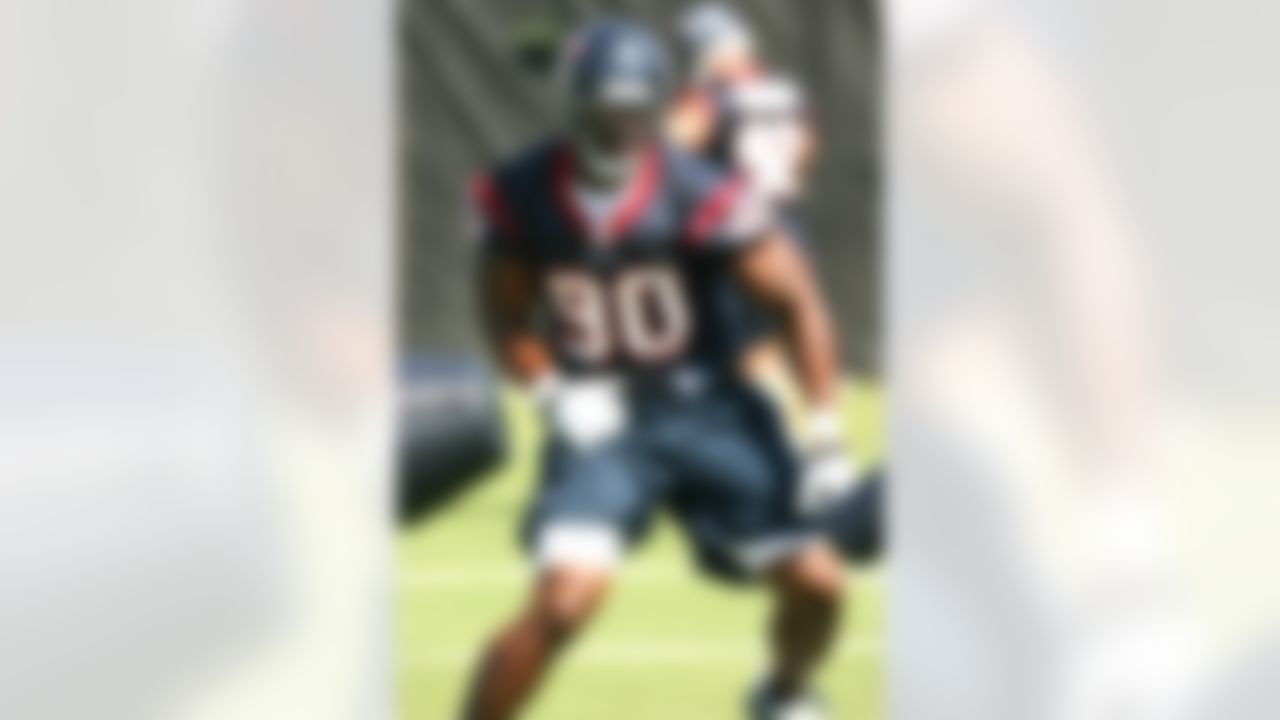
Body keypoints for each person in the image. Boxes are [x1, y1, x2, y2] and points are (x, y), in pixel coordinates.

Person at [463, 18, 856, 720]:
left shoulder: (698, 190)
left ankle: (784, 694)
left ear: (658, 109)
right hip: (602, 420)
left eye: (633, 115)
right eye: (603, 114)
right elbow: (505, 316)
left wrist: (825, 434)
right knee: (564, 601)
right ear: (573, 106)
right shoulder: (523, 192)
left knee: (820, 583)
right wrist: (554, 393)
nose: (618, 131)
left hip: (712, 411)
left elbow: (797, 302)